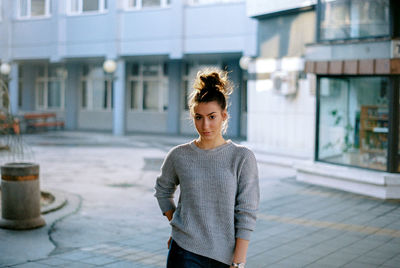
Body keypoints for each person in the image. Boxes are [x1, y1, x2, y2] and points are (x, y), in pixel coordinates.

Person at [154, 68, 260, 268]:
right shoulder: (179, 155)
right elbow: (162, 190)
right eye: (198, 117)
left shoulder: (242, 157)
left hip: (225, 257)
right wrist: (177, 226)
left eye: (212, 117)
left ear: (224, 115)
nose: (205, 125)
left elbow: (247, 212)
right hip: (184, 252)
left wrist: (238, 261)